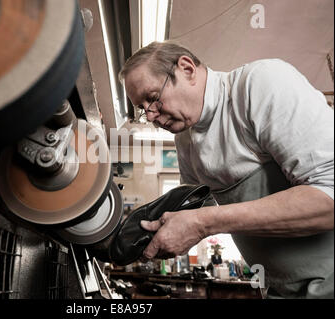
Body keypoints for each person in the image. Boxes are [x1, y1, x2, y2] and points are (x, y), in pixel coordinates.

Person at [118, 41, 334, 298]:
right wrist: (149, 231)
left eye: (153, 98)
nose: (151, 116)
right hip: (282, 290)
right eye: (143, 109)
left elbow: (329, 194)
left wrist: (202, 224)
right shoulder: (185, 140)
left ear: (187, 69)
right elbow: (196, 210)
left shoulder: (260, 85)